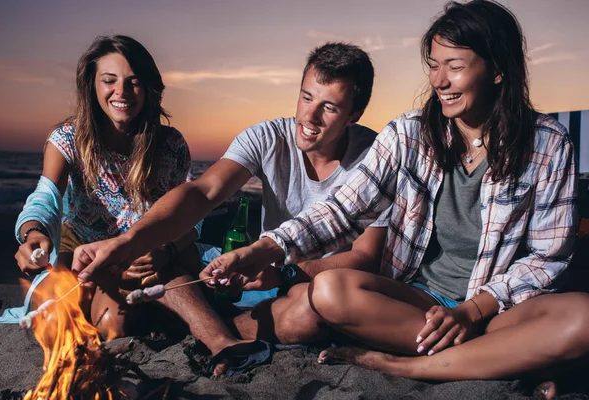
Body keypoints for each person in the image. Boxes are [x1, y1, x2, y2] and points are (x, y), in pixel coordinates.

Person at [195, 0, 589, 385]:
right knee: (330, 290)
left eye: (454, 67)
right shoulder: (409, 133)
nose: (439, 81)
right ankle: (500, 358)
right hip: (415, 304)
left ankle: (409, 367)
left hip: (497, 309)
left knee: (588, 317)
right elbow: (342, 210)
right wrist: (263, 250)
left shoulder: (547, 143)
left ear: (497, 70)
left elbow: (548, 257)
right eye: (434, 66)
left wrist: (474, 310)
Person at [70, 42, 389, 376]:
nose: (309, 116)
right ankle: (215, 331)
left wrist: (282, 272)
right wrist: (128, 241)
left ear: (353, 115)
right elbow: (202, 191)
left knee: (311, 314)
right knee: (156, 252)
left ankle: (202, 323)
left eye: (330, 107)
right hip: (249, 273)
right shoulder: (268, 136)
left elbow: (367, 257)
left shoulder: (375, 160)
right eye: (306, 97)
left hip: (306, 282)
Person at [11, 35, 234, 353]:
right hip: (79, 258)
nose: (122, 92)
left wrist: (166, 250)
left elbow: (190, 219)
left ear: (149, 87)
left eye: (134, 82)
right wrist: (33, 231)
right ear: (92, 85)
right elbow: (45, 197)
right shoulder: (67, 139)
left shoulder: (171, 146)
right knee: (49, 317)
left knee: (111, 323)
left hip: (136, 263)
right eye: (109, 80)